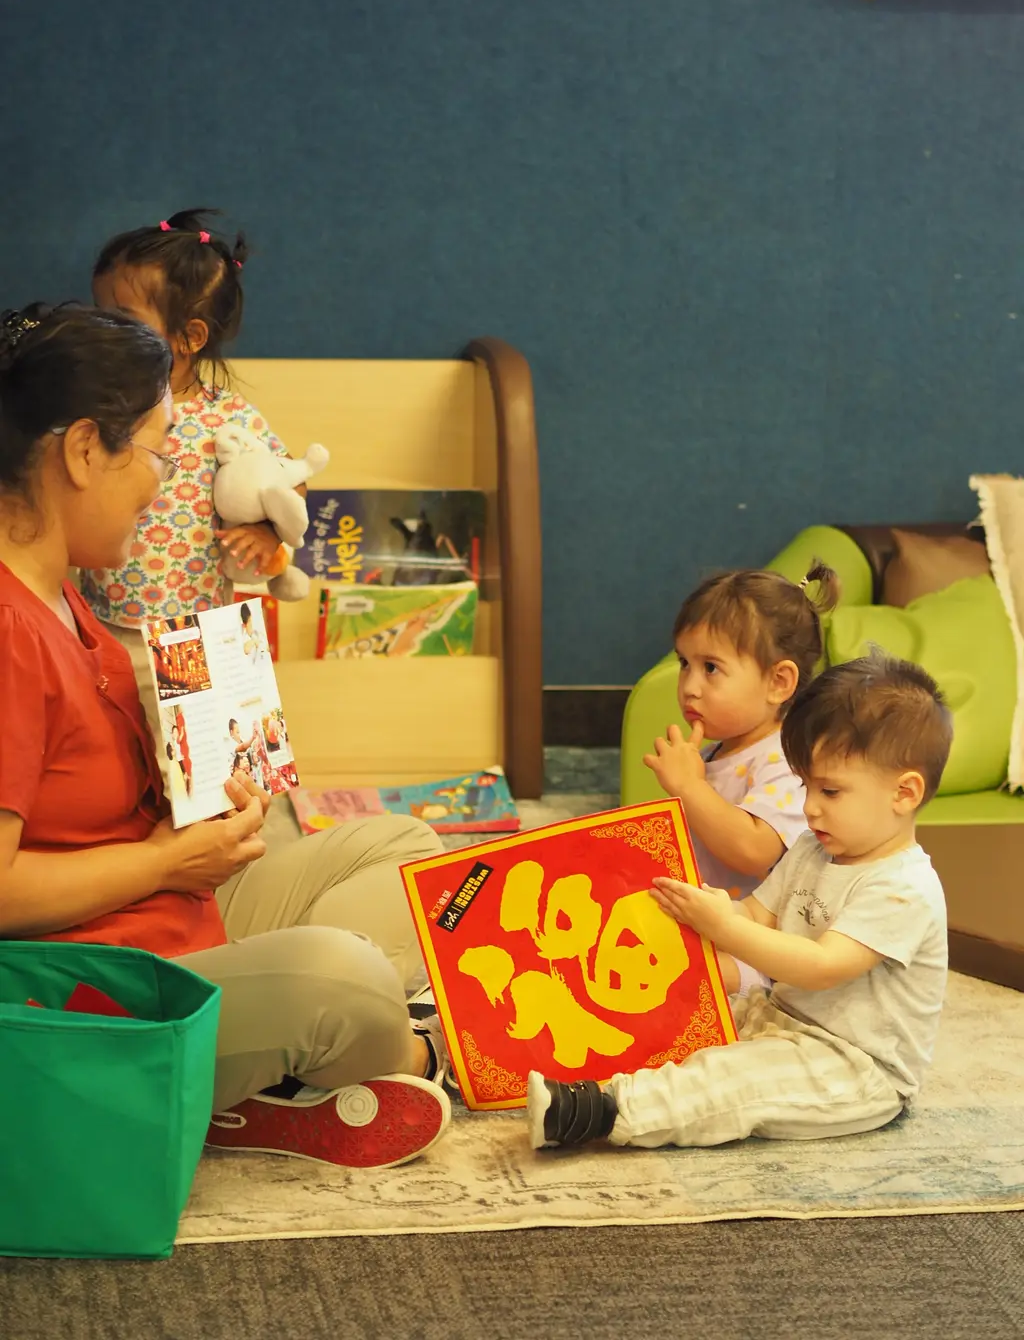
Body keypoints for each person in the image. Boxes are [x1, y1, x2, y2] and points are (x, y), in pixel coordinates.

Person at [0, 304, 452, 1171]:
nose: (165, 484)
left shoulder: (69, 599)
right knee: (344, 978)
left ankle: (256, 1076)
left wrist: (195, 797)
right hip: (90, 991)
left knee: (407, 849)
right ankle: (418, 1056)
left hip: (157, 919)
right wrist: (169, 862)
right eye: (159, 452)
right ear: (85, 449)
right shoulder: (12, 631)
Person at [527, 651, 952, 1152]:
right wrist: (701, 908)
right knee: (683, 1020)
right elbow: (756, 913)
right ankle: (559, 1066)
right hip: (778, 1017)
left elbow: (820, 967)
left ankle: (601, 1112)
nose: (809, 806)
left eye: (831, 791)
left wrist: (725, 929)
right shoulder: (814, 849)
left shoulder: (903, 888)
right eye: (805, 786)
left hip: (854, 1066)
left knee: (731, 1082)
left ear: (904, 794)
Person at [80, 208, 288, 747]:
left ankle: (217, 826)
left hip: (194, 629)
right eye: (98, 313)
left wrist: (267, 533)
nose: (104, 330)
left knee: (211, 752)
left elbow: (284, 484)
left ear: (188, 338)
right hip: (101, 618)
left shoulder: (227, 417)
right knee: (116, 747)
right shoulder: (98, 407)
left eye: (122, 317)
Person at [641, 563, 839, 997]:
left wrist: (689, 788)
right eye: (684, 664)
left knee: (674, 984)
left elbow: (754, 851)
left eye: (710, 668)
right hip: (709, 924)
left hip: (763, 953)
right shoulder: (718, 751)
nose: (690, 686)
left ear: (778, 682)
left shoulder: (788, 760)